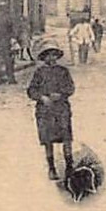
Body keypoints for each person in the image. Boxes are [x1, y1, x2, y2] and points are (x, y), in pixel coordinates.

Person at [26, 44, 76, 180]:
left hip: (61, 108)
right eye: (48, 55)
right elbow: (31, 90)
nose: (51, 58)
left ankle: (69, 166)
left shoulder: (63, 71)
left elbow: (70, 87)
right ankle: (51, 168)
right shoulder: (39, 72)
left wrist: (61, 94)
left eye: (54, 55)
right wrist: (42, 97)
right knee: (48, 139)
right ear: (44, 57)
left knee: (66, 137)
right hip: (45, 109)